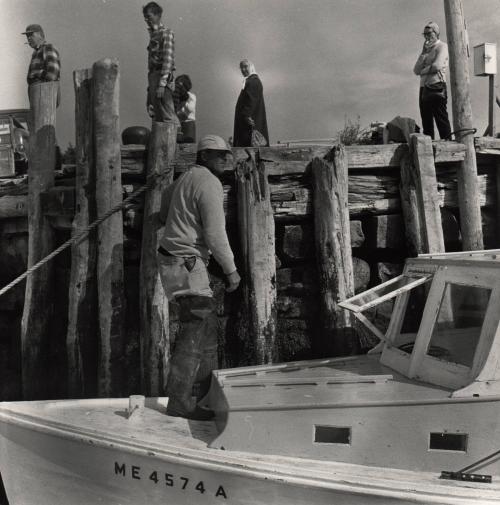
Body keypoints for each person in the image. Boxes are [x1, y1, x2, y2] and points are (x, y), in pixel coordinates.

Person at [158, 134, 241, 421]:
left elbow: (161, 214)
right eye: (220, 155)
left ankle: (204, 397)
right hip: (188, 261)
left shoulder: (181, 181)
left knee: (205, 334)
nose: (226, 160)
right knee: (194, 332)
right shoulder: (209, 183)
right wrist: (231, 271)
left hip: (172, 260)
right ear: (204, 156)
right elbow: (216, 235)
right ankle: (179, 402)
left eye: (227, 155)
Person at [143, 1, 180, 126]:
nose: (146, 19)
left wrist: (162, 84)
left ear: (157, 15)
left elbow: (168, 60)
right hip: (153, 76)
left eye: (149, 16)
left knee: (167, 113)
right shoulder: (153, 35)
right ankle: (163, 143)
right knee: (157, 114)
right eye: (145, 17)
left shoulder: (166, 33)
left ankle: (175, 140)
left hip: (162, 77)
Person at [413, 21, 452, 140]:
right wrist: (423, 53)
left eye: (429, 33)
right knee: (426, 121)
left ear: (436, 33)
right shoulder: (425, 51)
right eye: (424, 34)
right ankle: (428, 150)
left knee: (441, 119)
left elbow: (437, 66)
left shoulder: (442, 46)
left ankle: (447, 145)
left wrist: (423, 71)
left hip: (437, 85)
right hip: (423, 88)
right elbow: (415, 70)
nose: (427, 37)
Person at [233, 59, 269, 147]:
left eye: (245, 66)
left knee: (249, 147)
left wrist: (246, 115)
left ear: (252, 67)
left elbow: (251, 101)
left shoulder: (253, 81)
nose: (243, 69)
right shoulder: (251, 81)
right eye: (241, 67)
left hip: (249, 123)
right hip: (249, 122)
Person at [22, 24, 61, 105]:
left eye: (31, 35)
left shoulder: (48, 48)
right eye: (27, 36)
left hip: (44, 94)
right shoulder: (36, 53)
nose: (28, 38)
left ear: (40, 35)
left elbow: (52, 74)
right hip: (37, 94)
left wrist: (39, 86)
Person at [174, 74, 197, 143]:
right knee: (178, 143)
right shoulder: (177, 97)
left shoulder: (191, 96)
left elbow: (191, 108)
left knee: (188, 143)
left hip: (189, 123)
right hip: (180, 123)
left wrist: (185, 101)